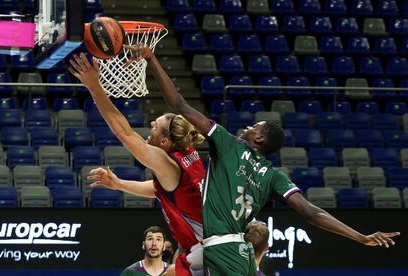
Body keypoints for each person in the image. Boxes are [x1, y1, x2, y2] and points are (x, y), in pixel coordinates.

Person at [125, 44, 401, 276]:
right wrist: (359, 236)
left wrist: (152, 59)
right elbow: (311, 213)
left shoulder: (229, 144)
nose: (246, 128)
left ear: (259, 140)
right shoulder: (274, 176)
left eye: (254, 127)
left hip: (221, 249)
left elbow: (178, 105)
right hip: (242, 254)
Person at [69, 53, 205, 276]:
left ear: (164, 142)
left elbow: (125, 133)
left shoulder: (169, 165)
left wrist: (94, 87)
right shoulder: (188, 153)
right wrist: (119, 184)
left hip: (208, 250)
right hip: (207, 247)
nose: (151, 124)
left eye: (155, 126)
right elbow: (159, 189)